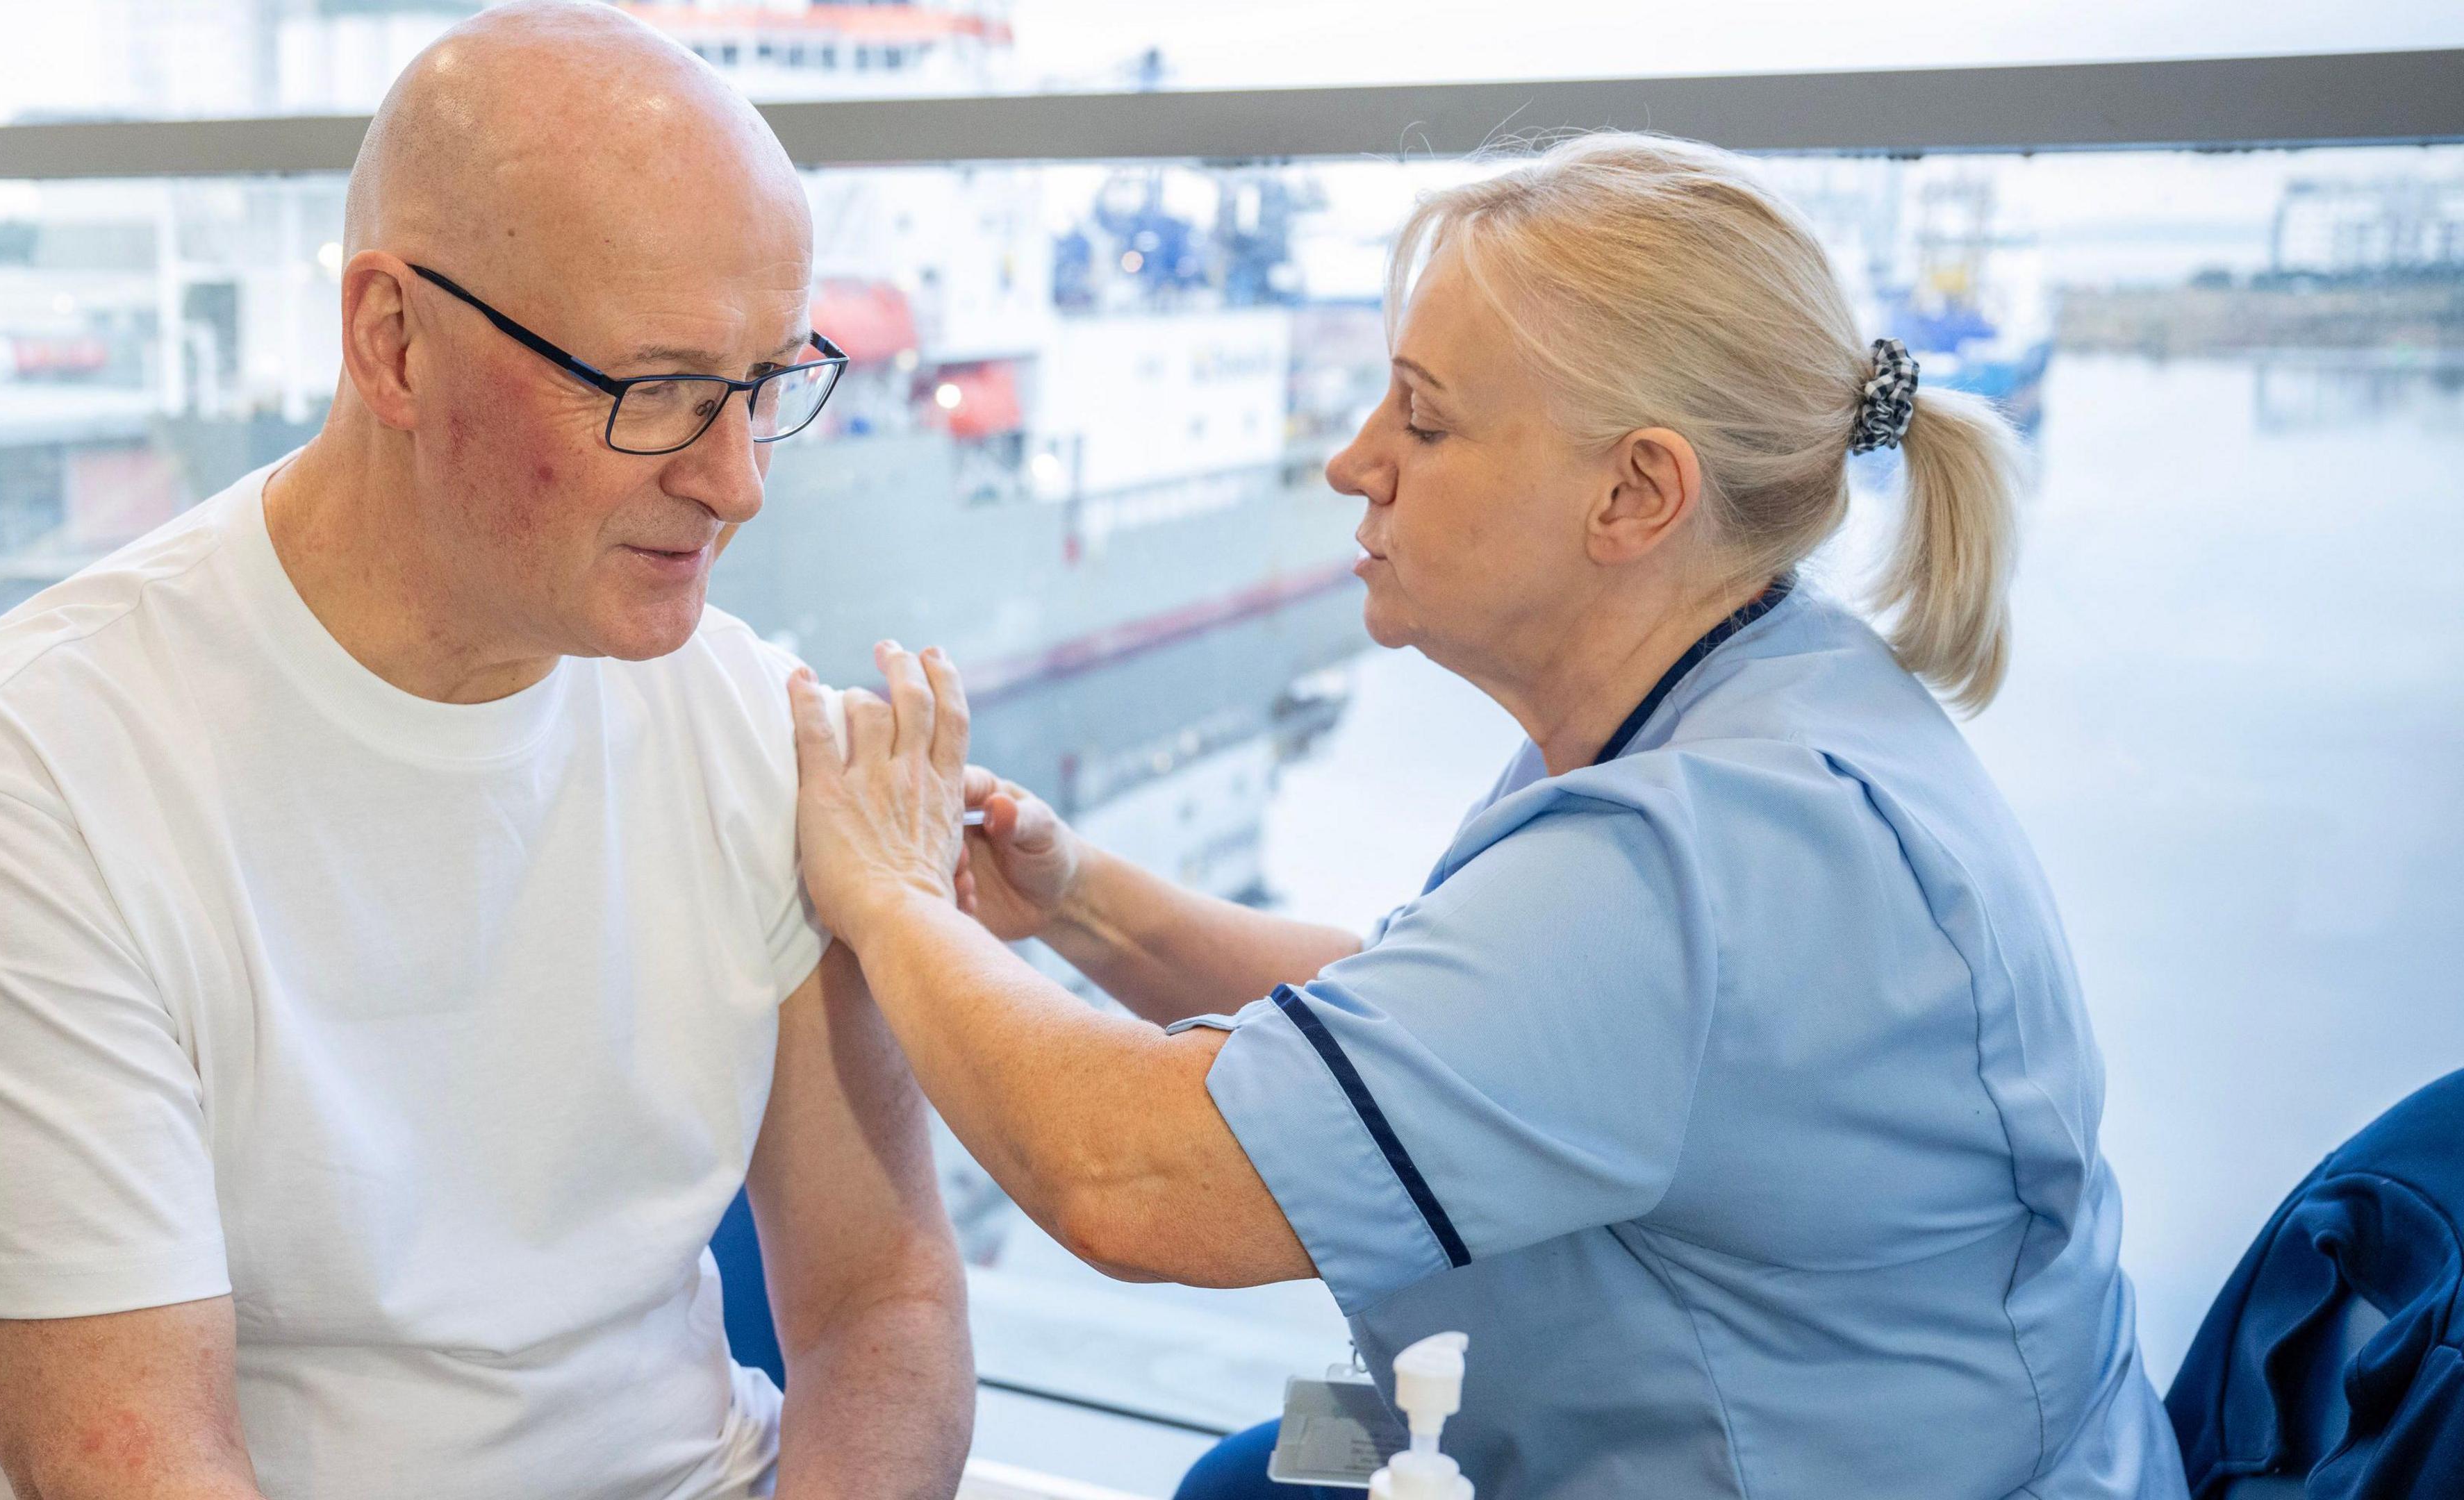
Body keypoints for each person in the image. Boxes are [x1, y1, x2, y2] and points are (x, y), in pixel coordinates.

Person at [786, 133, 2182, 1499]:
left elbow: (1128, 1183)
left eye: (1423, 418)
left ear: (1636, 492)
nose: (1351, 462)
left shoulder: (1709, 861)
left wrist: (888, 891)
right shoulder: (1751, 691)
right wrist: (1077, 898)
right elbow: (1434, 1035)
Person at [0, 5, 970, 1497]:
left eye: (769, 385)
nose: (737, 481)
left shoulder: (742, 715)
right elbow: (137, 1470)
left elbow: (883, 1306)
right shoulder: (34, 773)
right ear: (393, 342)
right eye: (660, 392)